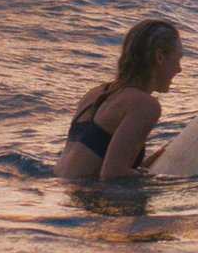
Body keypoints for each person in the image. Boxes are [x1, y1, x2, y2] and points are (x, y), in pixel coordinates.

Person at [55, 19, 183, 181]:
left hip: (60, 193)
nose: (179, 69)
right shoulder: (145, 105)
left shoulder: (95, 94)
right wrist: (163, 179)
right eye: (178, 59)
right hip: (86, 199)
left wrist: (146, 167)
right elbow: (112, 175)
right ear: (159, 58)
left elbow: (91, 162)